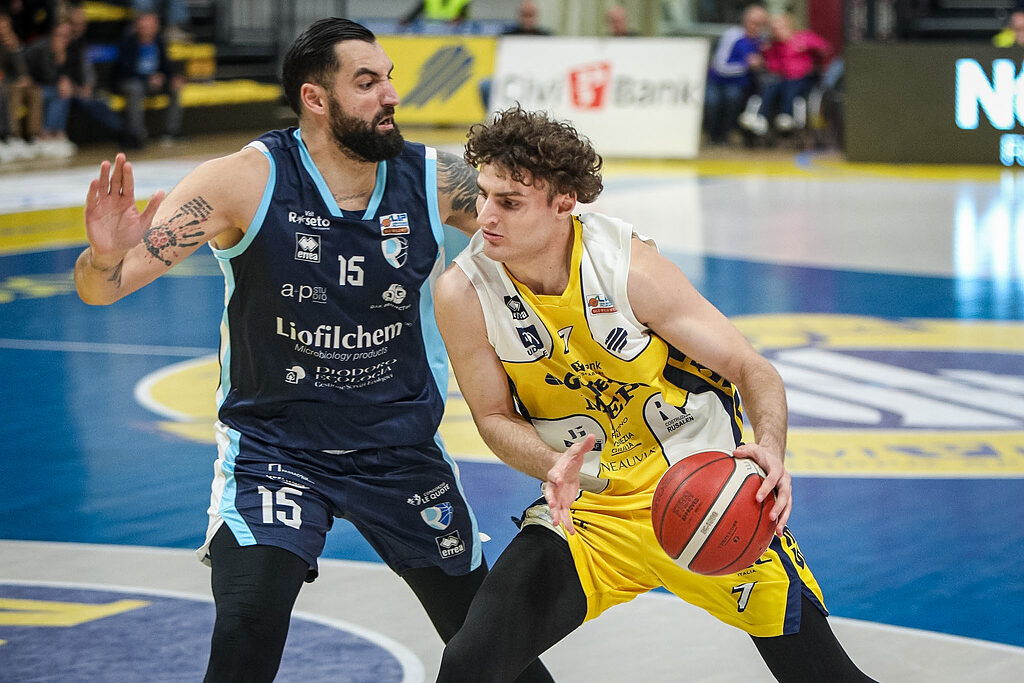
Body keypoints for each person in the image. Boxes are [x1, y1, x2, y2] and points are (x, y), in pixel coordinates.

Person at [74, 18, 552, 682]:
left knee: (496, 650)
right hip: (276, 449)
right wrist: (102, 256)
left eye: (389, 78)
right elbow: (104, 288)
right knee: (245, 627)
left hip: (398, 447)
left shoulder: (435, 177)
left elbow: (547, 241)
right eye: (367, 82)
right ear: (316, 98)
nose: (390, 95)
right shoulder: (242, 180)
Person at [432, 105, 878, 682]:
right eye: (484, 194)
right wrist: (551, 464)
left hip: (704, 502)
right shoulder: (463, 291)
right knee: (470, 664)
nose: (485, 216)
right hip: (591, 513)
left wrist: (770, 448)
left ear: (565, 202)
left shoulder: (627, 268)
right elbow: (493, 416)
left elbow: (749, 367)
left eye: (510, 202)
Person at [739, 13, 830, 138]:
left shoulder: (803, 37)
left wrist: (808, 46)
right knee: (770, 84)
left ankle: (786, 115)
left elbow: (824, 48)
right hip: (783, 78)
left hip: (803, 79)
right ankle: (760, 117)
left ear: (789, 26)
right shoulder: (774, 45)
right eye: (774, 29)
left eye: (780, 27)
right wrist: (764, 55)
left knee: (792, 84)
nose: (777, 31)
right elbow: (773, 66)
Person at [110, 10, 184, 148]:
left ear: (156, 26)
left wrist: (171, 77)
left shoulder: (159, 42)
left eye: (151, 25)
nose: (147, 28)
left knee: (175, 87)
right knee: (135, 88)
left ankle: (171, 133)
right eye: (144, 25)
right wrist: (147, 78)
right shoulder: (128, 42)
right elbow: (125, 70)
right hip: (129, 81)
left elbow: (167, 66)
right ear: (138, 26)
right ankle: (136, 135)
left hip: (153, 82)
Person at [703, 4, 768, 145]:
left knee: (733, 98)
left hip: (741, 84)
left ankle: (726, 135)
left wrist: (761, 64)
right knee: (712, 101)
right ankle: (712, 136)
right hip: (718, 80)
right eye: (753, 22)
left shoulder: (763, 41)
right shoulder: (732, 35)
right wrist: (746, 65)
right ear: (745, 21)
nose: (755, 27)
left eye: (760, 24)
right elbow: (719, 65)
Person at [23, 17, 77, 157]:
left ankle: (57, 134)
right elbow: (47, 76)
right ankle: (46, 134)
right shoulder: (42, 48)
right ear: (53, 34)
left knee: (63, 93)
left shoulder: (71, 48)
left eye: (67, 36)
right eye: (60, 35)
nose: (63, 39)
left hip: (49, 85)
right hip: (32, 83)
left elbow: (72, 73)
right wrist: (60, 58)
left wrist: (65, 80)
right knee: (54, 92)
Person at [0, 9, 42, 161]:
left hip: (9, 82)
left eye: (6, 26)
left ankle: (33, 136)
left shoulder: (11, 44)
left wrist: (15, 49)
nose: (3, 30)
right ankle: (12, 135)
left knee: (34, 90)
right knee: (9, 90)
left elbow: (22, 71)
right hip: (4, 84)